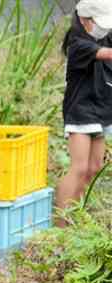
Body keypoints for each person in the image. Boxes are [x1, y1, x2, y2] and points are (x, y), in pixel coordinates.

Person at [56, 0, 112, 219]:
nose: (104, 28)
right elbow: (106, 54)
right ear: (84, 19)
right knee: (79, 168)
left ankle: (74, 214)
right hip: (80, 111)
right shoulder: (77, 43)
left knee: (94, 167)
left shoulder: (103, 35)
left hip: (102, 110)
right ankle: (60, 223)